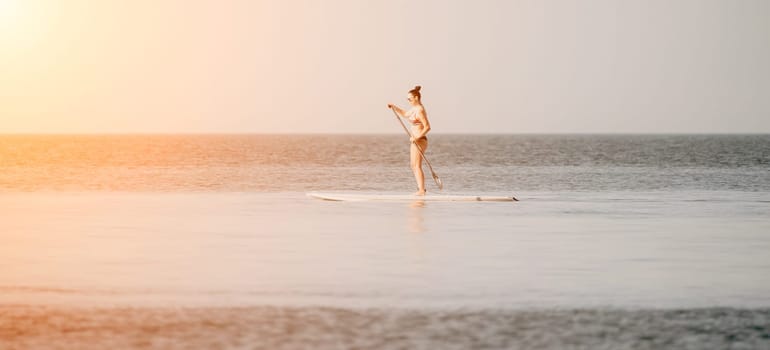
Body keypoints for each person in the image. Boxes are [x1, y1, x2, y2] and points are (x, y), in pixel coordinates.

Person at [388, 85, 432, 196]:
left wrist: (416, 137)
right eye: (407, 99)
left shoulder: (420, 110)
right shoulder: (414, 109)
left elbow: (427, 127)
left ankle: (422, 190)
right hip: (415, 140)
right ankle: (420, 189)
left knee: (417, 165)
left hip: (420, 140)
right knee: (413, 165)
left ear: (416, 98)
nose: (408, 101)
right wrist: (394, 107)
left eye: (410, 99)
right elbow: (404, 114)